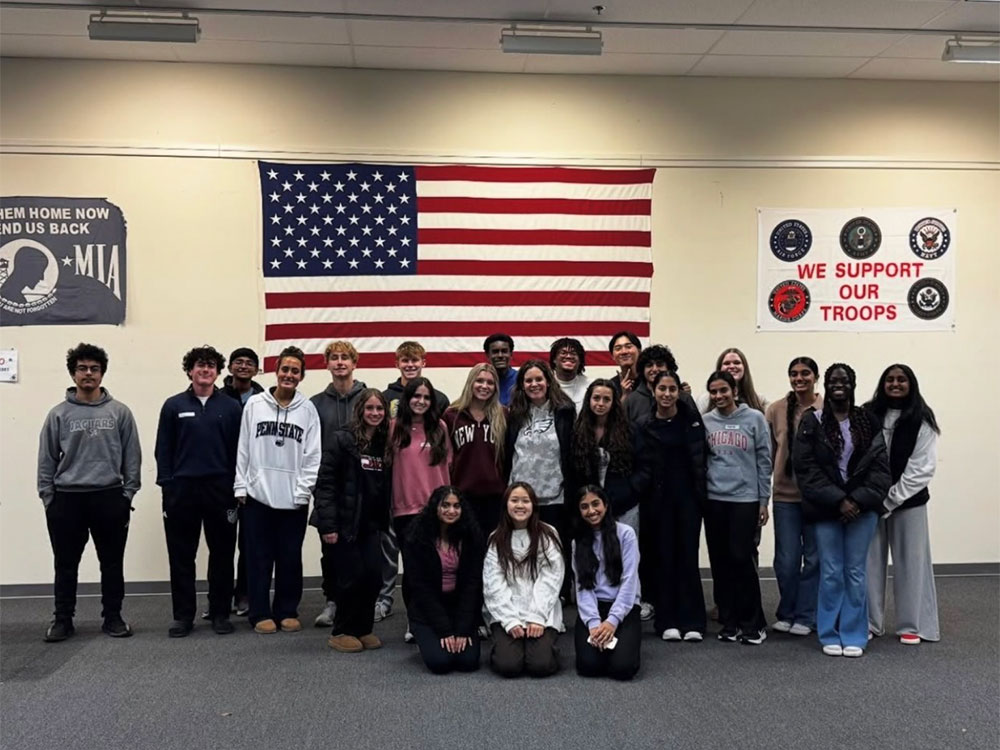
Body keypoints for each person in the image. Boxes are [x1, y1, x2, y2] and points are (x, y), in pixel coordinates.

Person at [37, 343, 141, 642]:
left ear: (102, 373)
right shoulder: (58, 415)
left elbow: (132, 457)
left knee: (111, 562)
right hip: (67, 499)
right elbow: (46, 459)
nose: (88, 373)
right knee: (65, 564)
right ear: (73, 373)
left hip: (110, 496)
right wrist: (48, 498)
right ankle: (62, 620)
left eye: (94, 369)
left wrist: (127, 494)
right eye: (82, 368)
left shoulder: (120, 412)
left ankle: (113, 617)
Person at [793, 363, 890, 658]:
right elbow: (805, 468)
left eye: (844, 381)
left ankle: (854, 633)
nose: (839, 385)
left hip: (862, 509)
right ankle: (829, 632)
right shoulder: (812, 421)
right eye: (833, 380)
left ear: (853, 384)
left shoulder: (869, 421)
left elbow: (881, 470)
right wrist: (838, 500)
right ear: (827, 384)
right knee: (832, 571)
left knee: (856, 572)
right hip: (826, 509)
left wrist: (857, 500)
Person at [155, 345, 242, 637]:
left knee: (222, 554)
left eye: (211, 366)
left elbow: (239, 452)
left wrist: (236, 487)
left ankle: (219, 613)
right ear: (190, 370)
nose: (205, 370)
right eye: (199, 365)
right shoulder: (173, 405)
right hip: (182, 491)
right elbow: (163, 450)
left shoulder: (231, 408)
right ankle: (183, 616)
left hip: (221, 491)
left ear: (218, 372)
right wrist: (168, 486)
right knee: (182, 556)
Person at [234, 345, 321, 635]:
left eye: (295, 371)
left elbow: (313, 456)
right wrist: (241, 485)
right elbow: (243, 447)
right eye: (285, 369)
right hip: (257, 496)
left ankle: (287, 610)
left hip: (293, 498)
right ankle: (259, 612)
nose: (289, 375)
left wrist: (303, 490)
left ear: (301, 376)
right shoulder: (255, 405)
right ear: (276, 371)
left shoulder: (308, 410)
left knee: (289, 557)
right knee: (258, 557)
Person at [865, 364, 940, 645]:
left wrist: (892, 499)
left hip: (909, 503)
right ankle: (870, 622)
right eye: (890, 380)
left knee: (912, 562)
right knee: (869, 562)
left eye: (902, 380)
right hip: (870, 503)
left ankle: (913, 624)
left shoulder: (922, 418)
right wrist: (873, 498)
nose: (895, 384)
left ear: (911, 384)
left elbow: (922, 467)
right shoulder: (868, 413)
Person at [311, 388, 391, 653]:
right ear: (360, 410)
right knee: (349, 578)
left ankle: (363, 628)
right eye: (370, 408)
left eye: (379, 409)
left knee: (372, 577)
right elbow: (325, 485)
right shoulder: (341, 440)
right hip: (344, 525)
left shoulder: (383, 443)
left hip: (370, 524)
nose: (375, 413)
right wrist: (328, 526)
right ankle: (342, 630)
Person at [634, 371, 708, 642]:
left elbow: (702, 458)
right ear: (653, 391)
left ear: (679, 392)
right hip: (657, 502)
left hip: (689, 500)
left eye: (672, 389)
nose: (667, 394)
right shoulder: (643, 424)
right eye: (661, 389)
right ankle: (667, 621)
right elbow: (640, 463)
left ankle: (693, 622)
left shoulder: (691, 421)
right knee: (663, 559)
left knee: (687, 558)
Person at [702, 370, 772, 645]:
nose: (719, 396)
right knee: (720, 563)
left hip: (745, 500)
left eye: (723, 390)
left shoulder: (754, 418)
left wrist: (763, 501)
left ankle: (753, 623)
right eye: (714, 392)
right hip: (715, 500)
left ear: (734, 390)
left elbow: (764, 461)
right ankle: (729, 621)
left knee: (741, 560)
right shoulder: (706, 421)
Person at [387, 376, 452, 641]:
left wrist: (448, 506)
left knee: (438, 568)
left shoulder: (440, 428)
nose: (421, 402)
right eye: (416, 396)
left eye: (426, 397)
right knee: (413, 570)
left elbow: (448, 467)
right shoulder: (394, 428)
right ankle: (415, 622)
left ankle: (438, 618)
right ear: (407, 399)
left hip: (437, 511)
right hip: (405, 511)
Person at [503, 359, 575, 592]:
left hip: (555, 495)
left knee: (555, 551)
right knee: (523, 550)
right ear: (522, 385)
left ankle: (561, 596)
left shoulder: (564, 411)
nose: (534, 384)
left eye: (539, 379)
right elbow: (508, 453)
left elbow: (570, 452)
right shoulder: (515, 414)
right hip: (522, 497)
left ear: (548, 381)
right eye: (528, 380)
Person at [311, 340, 367, 628]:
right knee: (329, 549)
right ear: (327, 364)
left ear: (354, 363)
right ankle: (332, 601)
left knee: (362, 550)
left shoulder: (369, 398)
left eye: (346, 357)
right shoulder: (315, 404)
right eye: (334, 357)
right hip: (329, 487)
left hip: (362, 489)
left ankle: (361, 604)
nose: (340, 362)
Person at [765, 357, 822, 637]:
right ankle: (787, 612)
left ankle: (806, 615)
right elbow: (766, 455)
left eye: (805, 373)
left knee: (814, 559)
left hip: (817, 498)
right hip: (785, 496)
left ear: (816, 377)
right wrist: (763, 498)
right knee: (787, 560)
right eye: (794, 374)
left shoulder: (826, 408)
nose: (799, 378)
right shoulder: (775, 410)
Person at [483, 483, 564, 677]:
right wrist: (510, 620)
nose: (520, 505)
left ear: (533, 505)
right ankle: (506, 645)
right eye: (514, 500)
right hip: (507, 612)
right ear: (506, 505)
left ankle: (542, 646)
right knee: (508, 666)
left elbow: (552, 577)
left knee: (540, 666)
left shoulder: (548, 534)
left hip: (541, 612)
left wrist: (536, 616)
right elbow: (493, 583)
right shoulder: (496, 538)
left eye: (525, 501)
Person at [403, 486, 485, 673]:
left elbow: (473, 584)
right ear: (435, 507)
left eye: (456, 506)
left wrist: (463, 629)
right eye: (445, 505)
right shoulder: (416, 537)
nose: (451, 511)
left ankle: (448, 638)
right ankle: (426, 638)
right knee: (440, 663)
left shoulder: (471, 536)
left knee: (468, 663)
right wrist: (445, 631)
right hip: (427, 611)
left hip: (459, 608)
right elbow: (419, 587)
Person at [572, 486, 641, 680]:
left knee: (622, 669)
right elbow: (582, 586)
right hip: (593, 608)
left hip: (624, 608)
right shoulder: (578, 541)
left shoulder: (626, 534)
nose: (591, 511)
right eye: (584, 506)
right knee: (588, 667)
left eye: (596, 504)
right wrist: (594, 624)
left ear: (606, 505)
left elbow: (630, 581)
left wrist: (612, 622)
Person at [220, 346, 264, 617]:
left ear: (257, 369)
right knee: (223, 542)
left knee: (249, 543)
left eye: (249, 363)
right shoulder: (218, 397)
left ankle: (245, 594)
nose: (244, 366)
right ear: (230, 367)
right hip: (224, 479)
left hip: (253, 480)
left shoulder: (264, 398)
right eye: (239, 362)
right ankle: (221, 599)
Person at [443, 363, 507, 538]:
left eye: (490, 382)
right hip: (462, 497)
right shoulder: (451, 415)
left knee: (492, 551)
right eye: (479, 381)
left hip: (495, 498)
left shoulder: (503, 415)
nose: (484, 386)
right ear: (470, 383)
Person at [571, 379, 636, 531]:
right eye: (596, 398)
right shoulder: (578, 431)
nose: (600, 403)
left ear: (614, 402)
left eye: (607, 399)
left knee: (624, 550)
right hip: (590, 507)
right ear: (589, 400)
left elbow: (642, 467)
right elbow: (574, 469)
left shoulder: (629, 431)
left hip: (624, 505)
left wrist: (630, 490)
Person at [625, 344, 697, 424]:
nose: (655, 369)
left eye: (659, 364)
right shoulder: (632, 400)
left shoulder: (684, 397)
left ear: (668, 368)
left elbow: (696, 428)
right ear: (643, 369)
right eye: (649, 365)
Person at [383, 341, 450, 417]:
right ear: (397, 364)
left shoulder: (439, 399)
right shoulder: (385, 398)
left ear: (423, 363)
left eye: (415, 360)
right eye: (405, 360)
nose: (410, 365)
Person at [698, 347, 769, 414]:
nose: (732, 366)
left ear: (744, 368)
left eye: (737, 363)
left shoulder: (760, 400)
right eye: (726, 363)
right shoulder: (704, 401)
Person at [549, 337, 589, 412]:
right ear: (554, 359)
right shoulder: (545, 385)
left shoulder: (590, 386)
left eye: (573, 353)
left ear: (580, 361)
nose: (568, 356)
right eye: (563, 353)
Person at [483, 333, 517, 406]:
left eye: (504, 351)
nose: (500, 355)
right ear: (488, 355)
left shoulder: (521, 379)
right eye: (495, 352)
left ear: (511, 354)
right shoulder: (480, 381)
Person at [607, 331, 641, 399]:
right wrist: (624, 395)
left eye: (628, 347)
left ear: (639, 351)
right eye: (618, 348)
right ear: (613, 356)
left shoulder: (649, 380)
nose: (624, 352)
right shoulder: (610, 386)